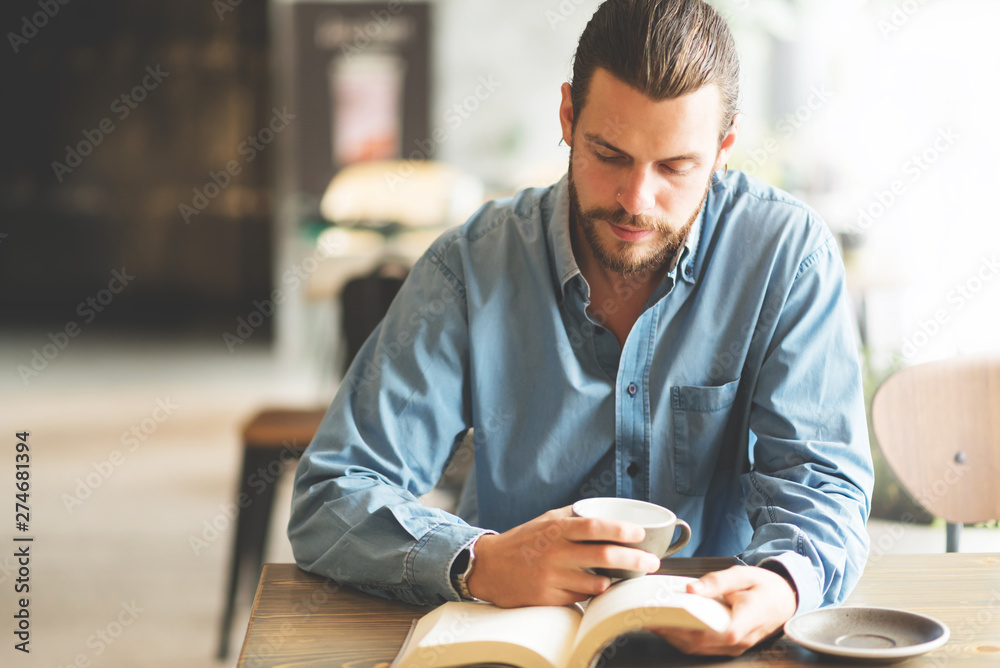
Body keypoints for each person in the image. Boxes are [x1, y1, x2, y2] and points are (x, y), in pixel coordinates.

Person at [288, 0, 873, 656]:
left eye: (676, 167)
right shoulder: (471, 267)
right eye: (609, 154)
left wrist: (782, 585)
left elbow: (822, 483)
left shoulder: (786, 257)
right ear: (568, 117)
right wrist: (476, 562)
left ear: (723, 148)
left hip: (719, 648)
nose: (636, 200)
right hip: (512, 647)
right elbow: (331, 496)